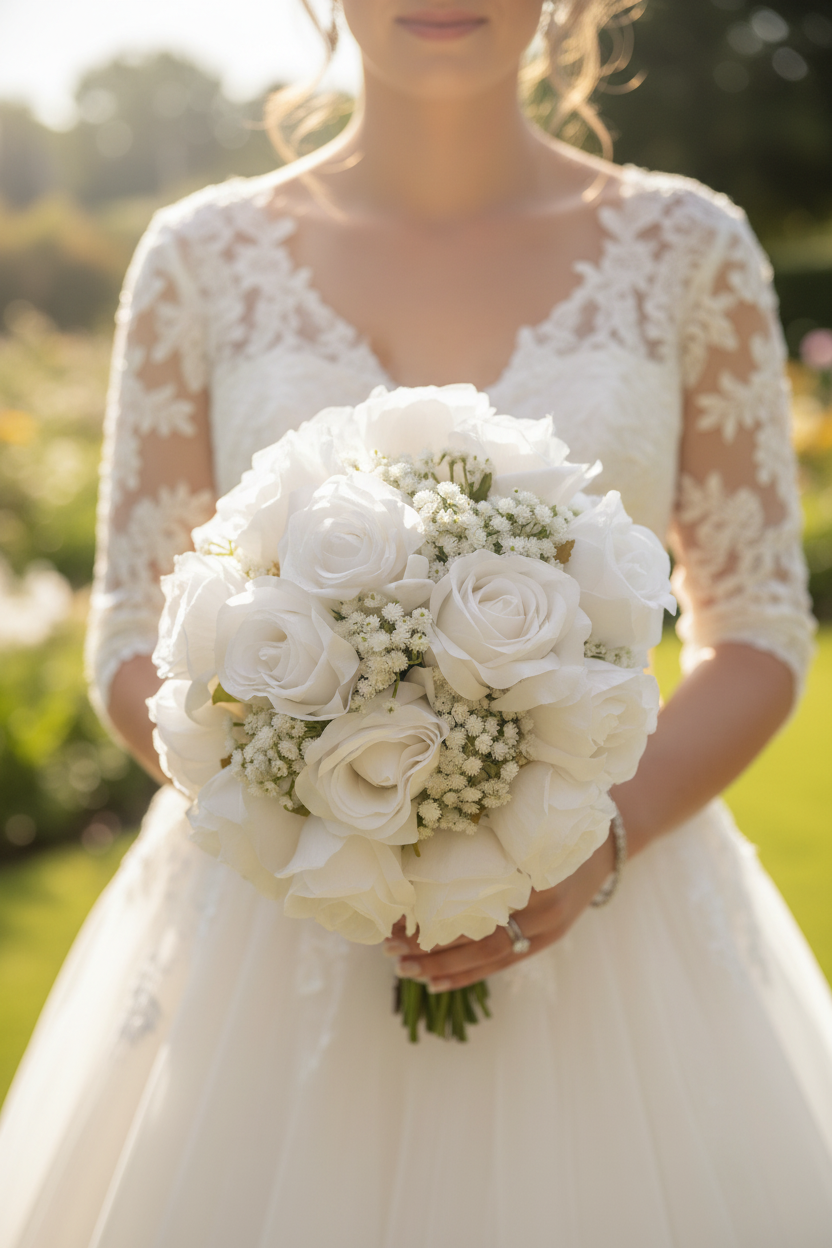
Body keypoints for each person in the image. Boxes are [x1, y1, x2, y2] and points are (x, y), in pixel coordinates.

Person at [1, 2, 832, 1244]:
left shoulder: (687, 246)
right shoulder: (199, 255)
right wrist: (312, 815)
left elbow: (758, 623)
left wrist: (592, 838)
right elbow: (130, 634)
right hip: (264, 931)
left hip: (616, 910)